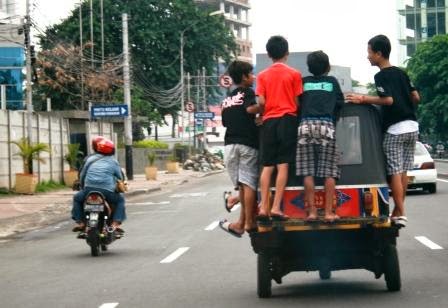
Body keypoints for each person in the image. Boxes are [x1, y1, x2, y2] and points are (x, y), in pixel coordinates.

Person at [346, 34, 420, 227]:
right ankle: (398, 211)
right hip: (412, 126)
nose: (368, 56)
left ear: (379, 54)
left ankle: (401, 212)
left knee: (394, 171)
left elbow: (388, 100)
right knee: (403, 170)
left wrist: (363, 99)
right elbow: (416, 97)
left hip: (395, 129)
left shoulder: (381, 76)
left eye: (369, 52)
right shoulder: (402, 73)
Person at [256, 35, 303, 220]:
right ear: (287, 53)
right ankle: (276, 207)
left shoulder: (262, 75)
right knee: (283, 165)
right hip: (288, 120)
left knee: (267, 166)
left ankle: (263, 208)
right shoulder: (294, 74)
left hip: (269, 121)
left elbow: (261, 101)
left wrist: (265, 110)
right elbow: (297, 101)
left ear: (268, 54)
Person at [296, 51, 344, 222]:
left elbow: (297, 103)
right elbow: (340, 103)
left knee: (307, 171)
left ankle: (312, 212)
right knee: (329, 172)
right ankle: (329, 212)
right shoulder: (332, 82)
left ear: (309, 67)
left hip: (305, 125)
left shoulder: (304, 82)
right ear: (328, 67)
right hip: (326, 125)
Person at [219, 60, 260, 237]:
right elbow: (251, 109)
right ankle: (249, 222)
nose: (254, 77)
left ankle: (241, 223)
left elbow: (226, 122)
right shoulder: (248, 93)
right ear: (244, 77)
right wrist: (266, 107)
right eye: (251, 74)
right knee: (249, 184)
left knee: (241, 187)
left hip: (229, 146)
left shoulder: (227, 99)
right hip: (247, 144)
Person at [71, 136, 127, 234]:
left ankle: (80, 223)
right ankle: (115, 223)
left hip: (88, 189)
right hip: (107, 192)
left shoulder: (89, 159)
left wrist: (83, 187)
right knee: (120, 199)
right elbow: (120, 178)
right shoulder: (113, 161)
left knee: (77, 198)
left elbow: (82, 175)